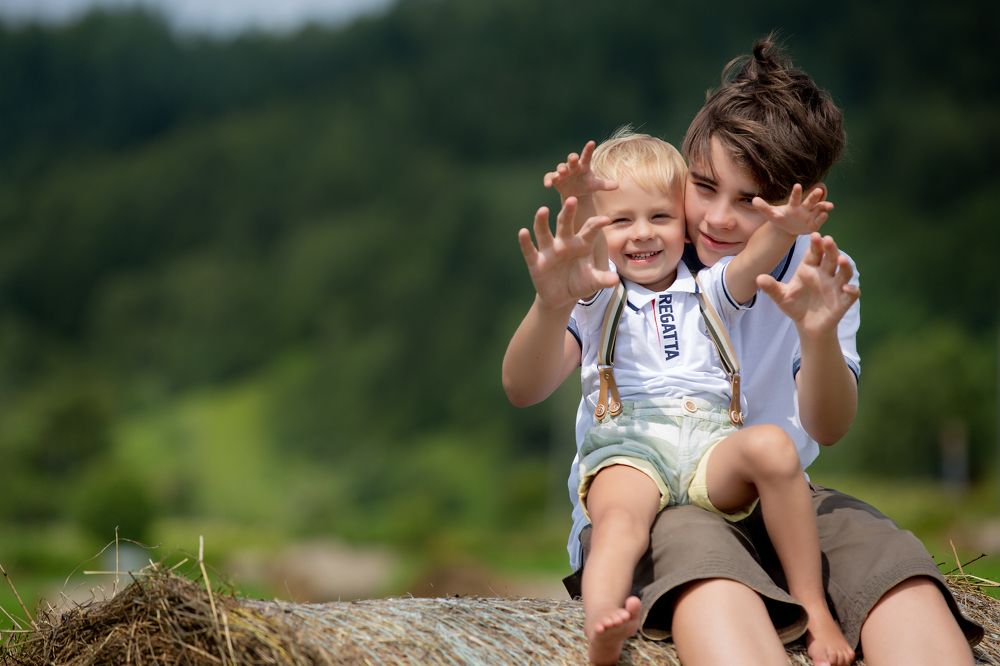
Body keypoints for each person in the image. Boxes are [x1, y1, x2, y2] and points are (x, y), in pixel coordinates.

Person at [557, 36, 984, 665]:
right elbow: (536, 368)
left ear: (798, 200)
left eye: (749, 202)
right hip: (665, 499)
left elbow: (829, 427)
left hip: (786, 496)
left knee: (896, 573)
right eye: (703, 186)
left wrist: (817, 335)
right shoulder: (637, 256)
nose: (718, 219)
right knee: (711, 582)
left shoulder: (821, 272)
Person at [502, 130, 853, 665]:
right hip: (630, 447)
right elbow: (520, 384)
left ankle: (817, 611)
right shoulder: (599, 294)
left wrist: (784, 227)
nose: (642, 234)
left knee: (775, 450)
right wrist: (577, 204)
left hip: (710, 444)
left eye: (660, 218)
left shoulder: (711, 288)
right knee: (619, 521)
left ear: (683, 222)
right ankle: (601, 623)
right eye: (621, 221)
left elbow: (754, 257)